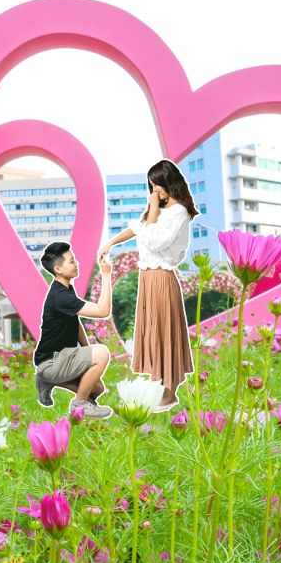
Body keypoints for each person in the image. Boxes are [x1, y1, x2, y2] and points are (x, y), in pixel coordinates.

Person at [98, 159, 196, 412]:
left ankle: (169, 390)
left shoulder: (178, 212)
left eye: (157, 186)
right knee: (152, 330)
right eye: (151, 187)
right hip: (148, 278)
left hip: (162, 277)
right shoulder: (159, 210)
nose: (154, 192)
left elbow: (154, 241)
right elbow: (137, 228)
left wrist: (152, 208)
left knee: (164, 329)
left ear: (168, 183)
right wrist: (110, 243)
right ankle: (157, 382)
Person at [34, 241, 114, 419]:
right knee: (102, 353)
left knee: (97, 389)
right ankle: (79, 405)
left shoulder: (65, 290)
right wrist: (106, 275)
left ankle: (46, 380)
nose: (76, 263)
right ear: (58, 269)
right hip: (52, 361)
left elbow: (75, 324)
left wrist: (85, 349)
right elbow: (103, 311)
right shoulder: (60, 296)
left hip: (61, 358)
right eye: (71, 261)